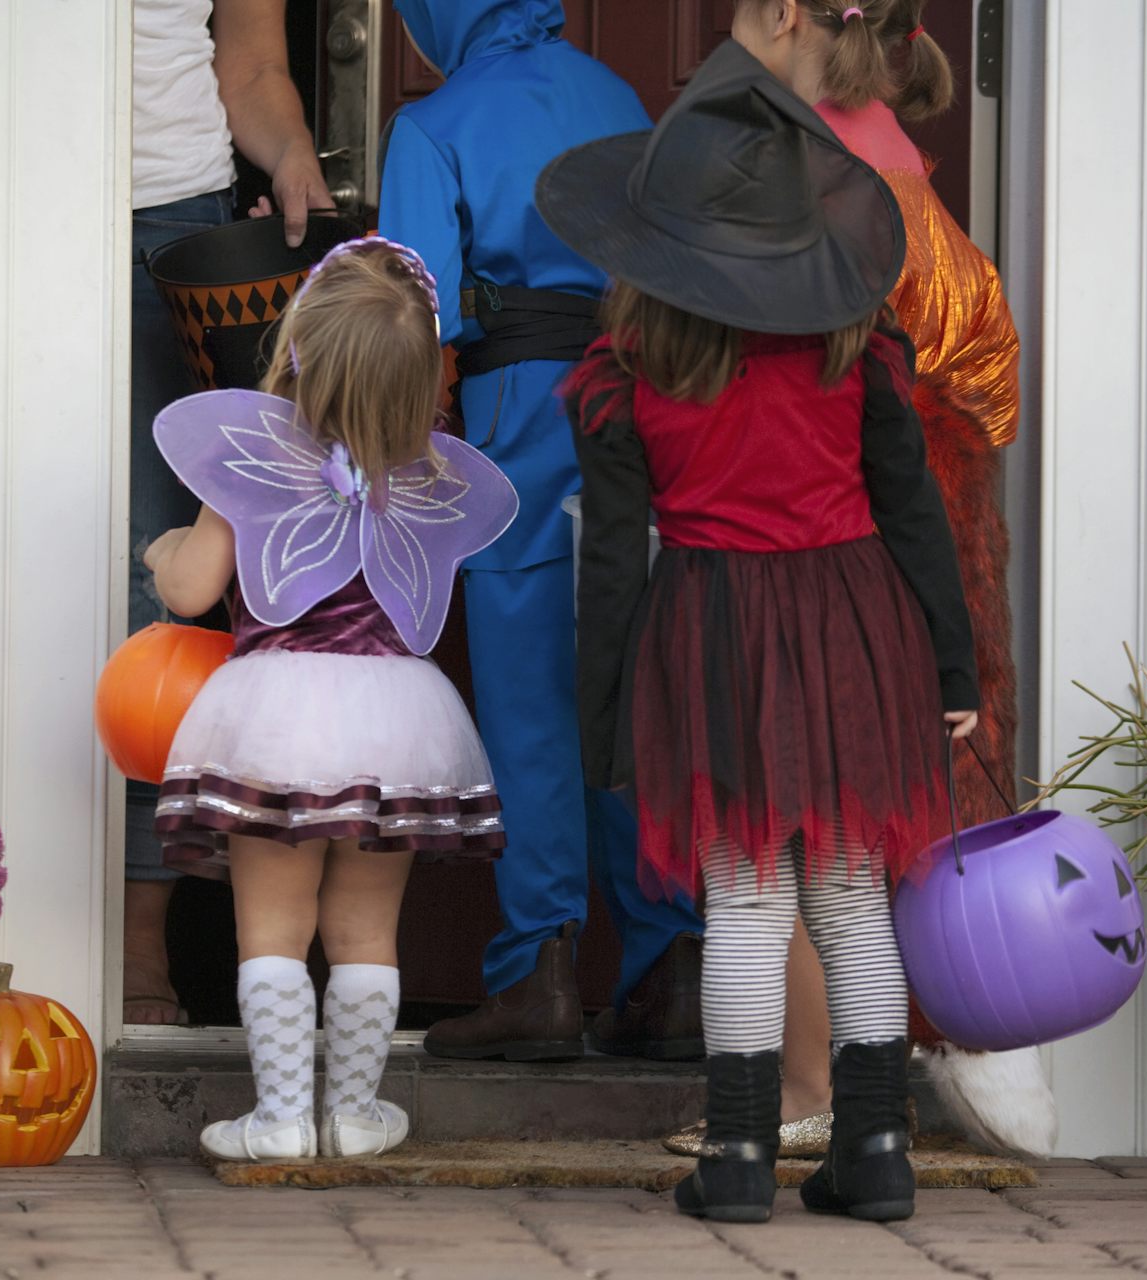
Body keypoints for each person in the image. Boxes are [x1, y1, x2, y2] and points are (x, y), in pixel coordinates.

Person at [541, 41, 978, 1224]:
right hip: (855, 628)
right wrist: (953, 661)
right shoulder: (860, 355)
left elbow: (613, 566)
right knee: (847, 890)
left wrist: (606, 714)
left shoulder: (624, 372)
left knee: (741, 897)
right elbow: (913, 512)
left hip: (712, 626)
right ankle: (877, 1147)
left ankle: (736, 1161)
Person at [660, 0, 1053, 1162]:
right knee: (846, 845)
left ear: (784, 19)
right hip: (898, 524)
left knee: (777, 834)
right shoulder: (875, 152)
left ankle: (801, 1092)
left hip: (829, 542)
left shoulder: (812, 167)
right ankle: (871, 1114)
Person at [378, 0, 705, 1063]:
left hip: (516, 424)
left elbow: (413, 319)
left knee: (530, 710)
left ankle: (539, 974)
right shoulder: (619, 100)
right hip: (638, 415)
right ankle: (671, 968)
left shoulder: (434, 124)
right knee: (634, 696)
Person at [142, 238, 515, 1161]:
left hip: (276, 716)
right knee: (365, 928)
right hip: (395, 723)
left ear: (295, 347)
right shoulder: (427, 475)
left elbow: (192, 590)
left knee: (273, 921)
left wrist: (157, 555)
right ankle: (352, 1115)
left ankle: (277, 1121)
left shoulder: (254, 457)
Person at [126, 0, 336, 1027]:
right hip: (10, 202)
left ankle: (138, 940)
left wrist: (291, 149)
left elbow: (250, 63)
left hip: (180, 217)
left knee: (164, 592)